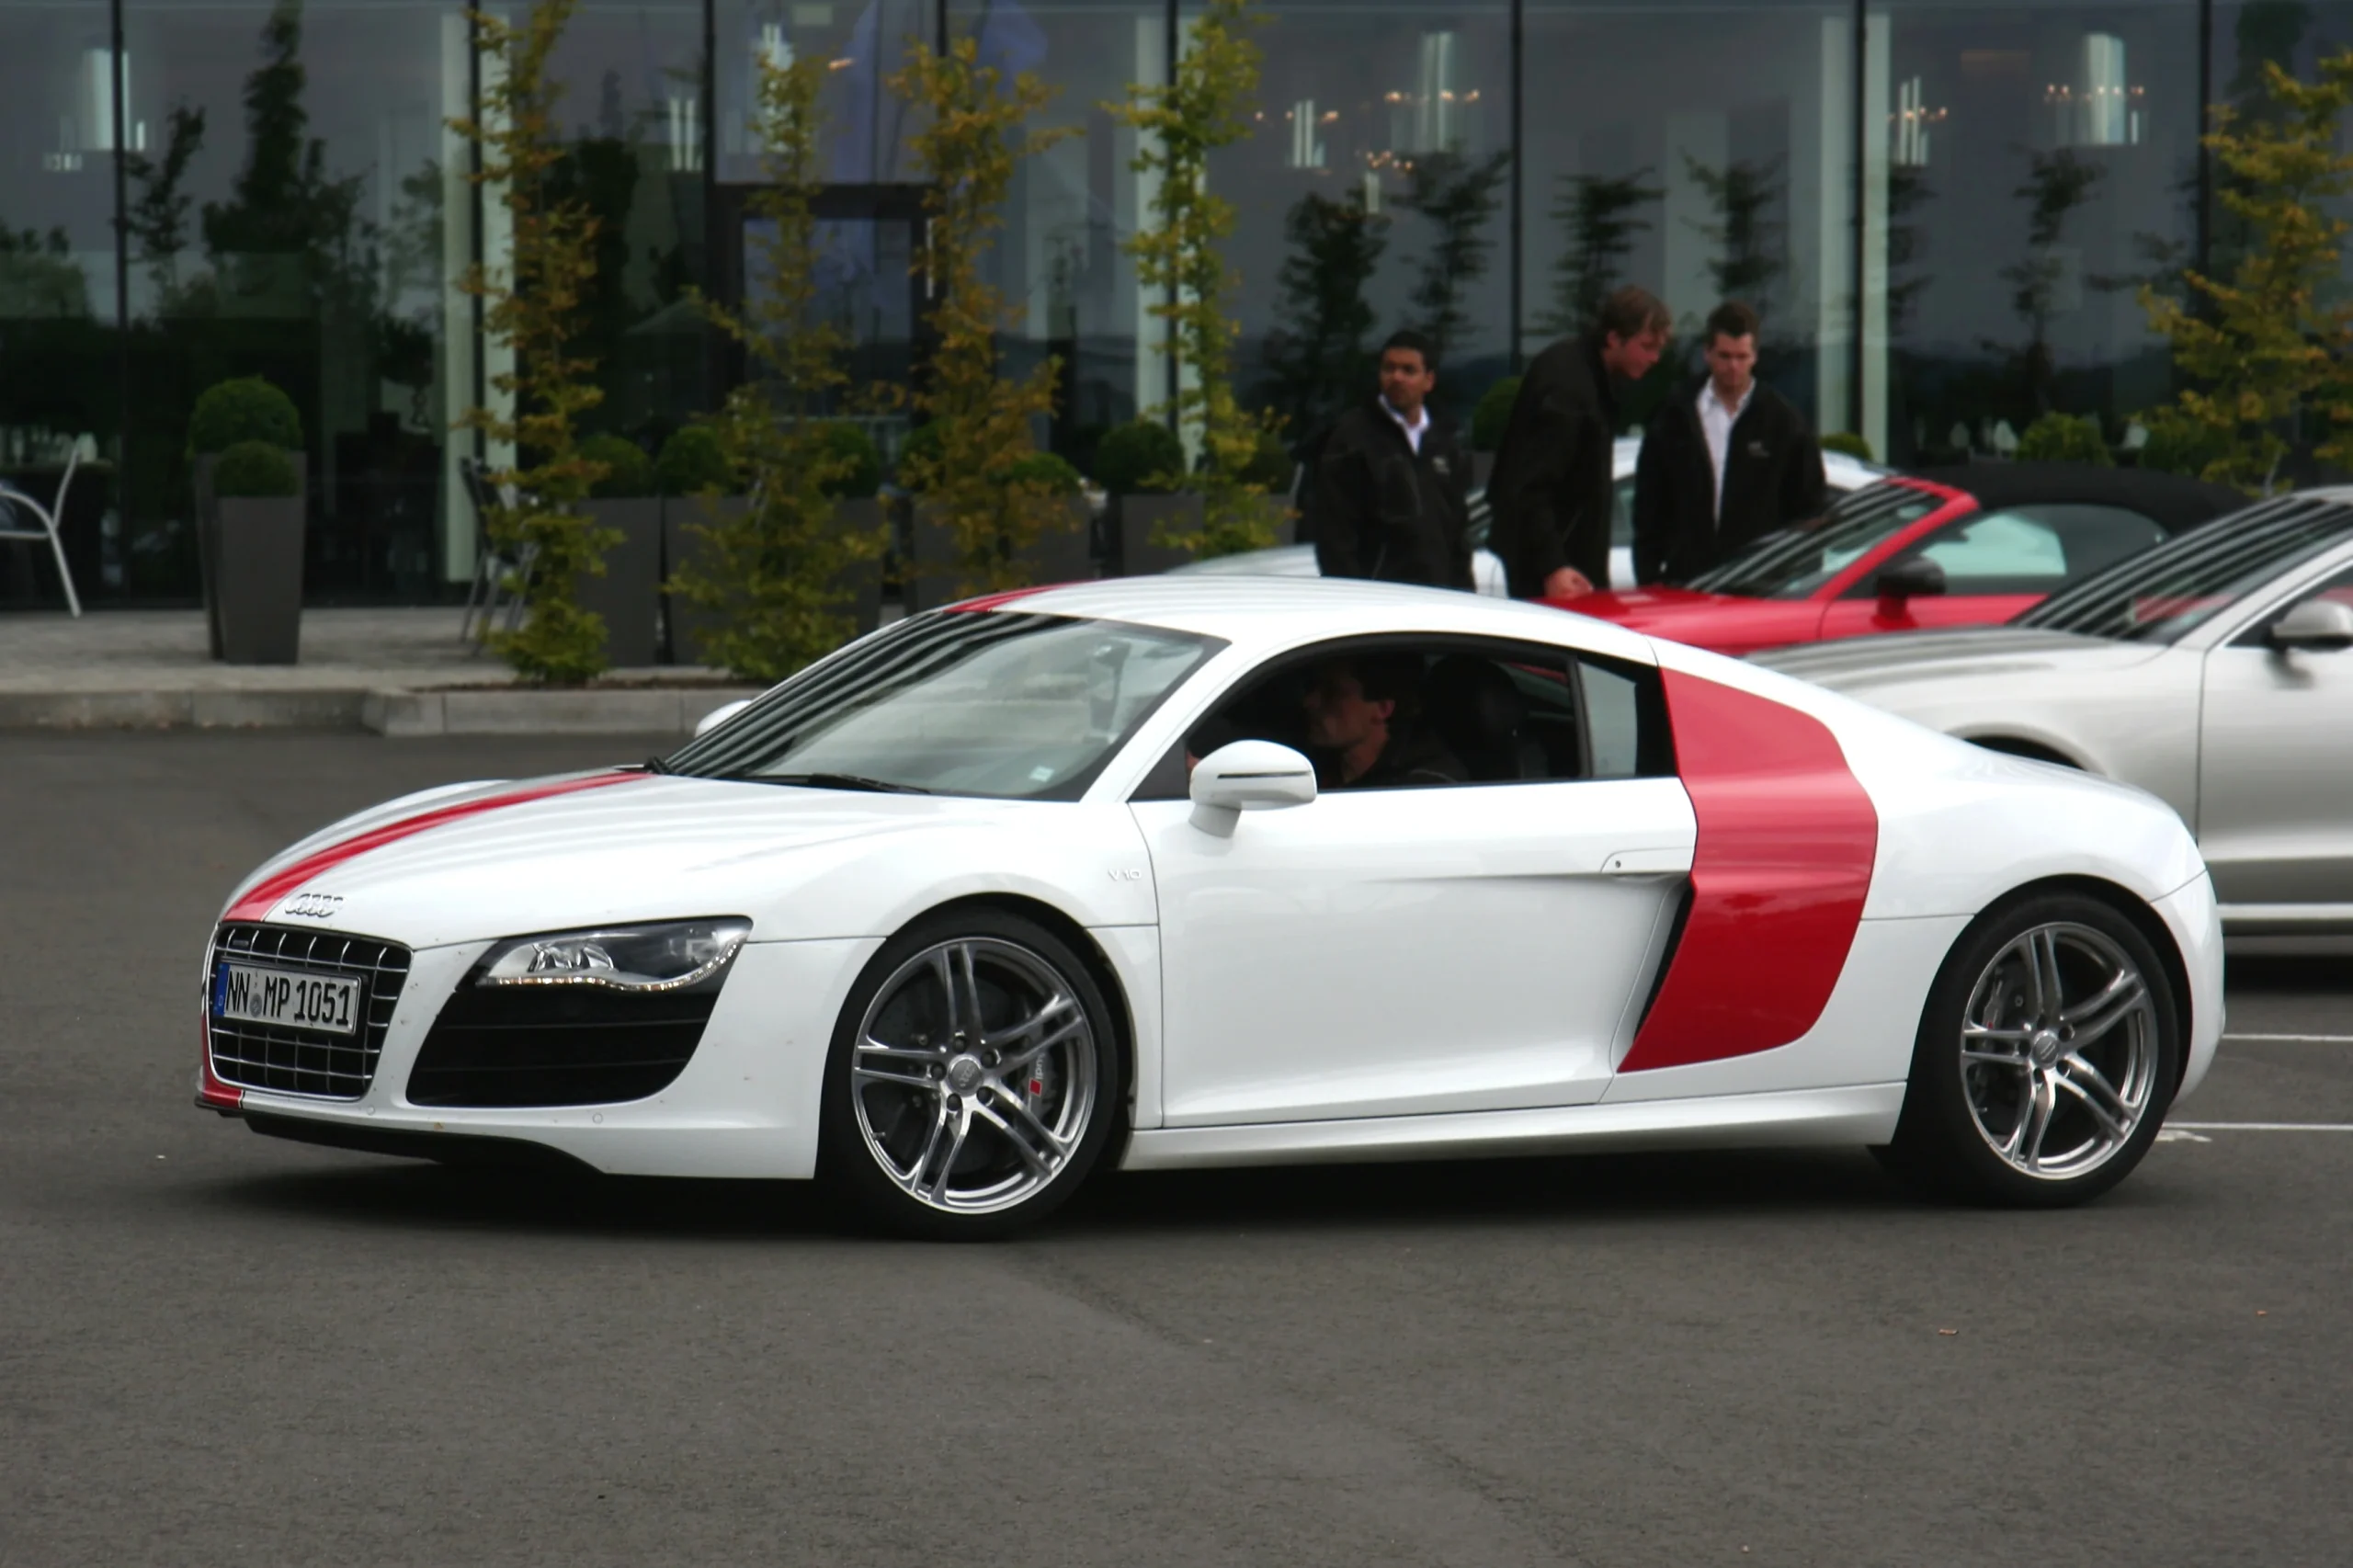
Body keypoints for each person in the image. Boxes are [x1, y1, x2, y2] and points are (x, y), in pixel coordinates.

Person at [1484, 286, 1671, 600]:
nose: (1655, 358)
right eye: (1647, 346)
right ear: (1614, 338)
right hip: (1554, 571)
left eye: (1659, 348)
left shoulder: (1586, 377)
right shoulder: (1570, 388)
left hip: (1564, 561)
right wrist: (1553, 566)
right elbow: (1530, 485)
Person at [1631, 300, 1827, 585]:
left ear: (1755, 356)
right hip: (1686, 581)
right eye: (1724, 356)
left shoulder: (1782, 422)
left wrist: (1798, 585)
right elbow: (1649, 504)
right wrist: (1649, 577)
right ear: (1707, 353)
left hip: (1758, 586)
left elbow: (1809, 511)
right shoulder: (1676, 414)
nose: (1733, 367)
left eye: (1742, 357)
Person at [1312, 329, 1473, 589]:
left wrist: (1465, 595)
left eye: (1408, 370)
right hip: (1380, 600)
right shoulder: (1353, 438)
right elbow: (1335, 534)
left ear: (1428, 380)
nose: (1396, 377)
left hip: (1440, 599)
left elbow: (1457, 535)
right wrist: (1352, 595)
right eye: (1389, 368)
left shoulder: (1445, 443)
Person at [1300, 653, 1465, 789]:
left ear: (1383, 709)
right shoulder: (1308, 764)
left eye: (1332, 693)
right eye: (1313, 688)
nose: (1309, 702)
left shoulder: (1426, 786)